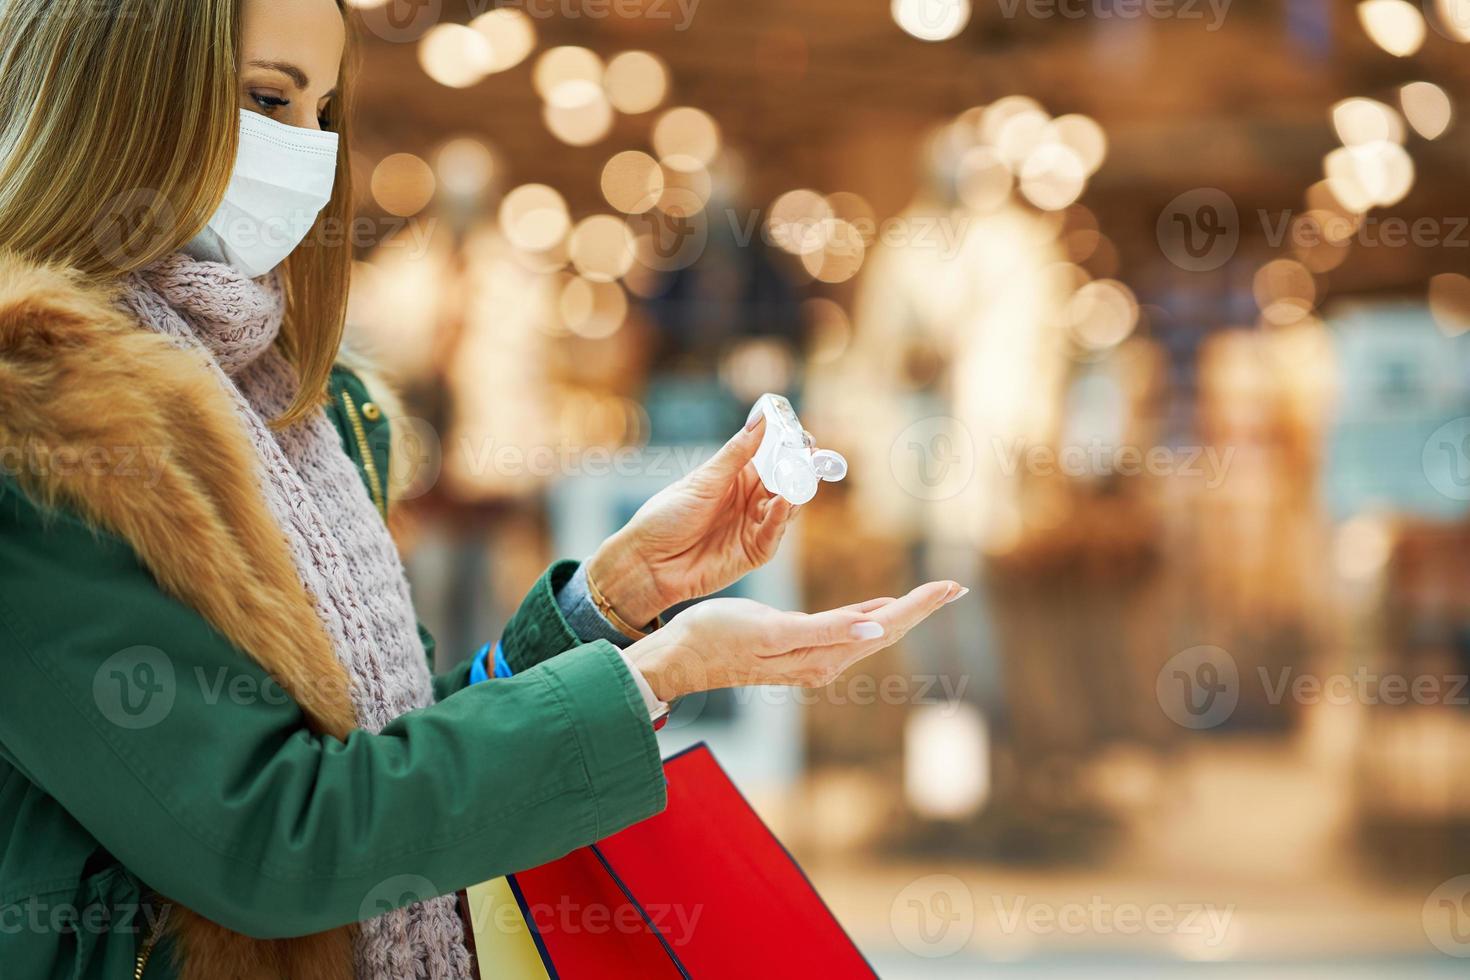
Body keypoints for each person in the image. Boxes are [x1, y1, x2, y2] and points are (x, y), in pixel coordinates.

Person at [0, 2, 963, 978]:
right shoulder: (38, 422)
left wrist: (611, 602)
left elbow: (393, 746)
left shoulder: (296, 408)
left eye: (326, 111)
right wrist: (651, 678)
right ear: (115, 90)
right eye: (267, 99)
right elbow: (273, 837)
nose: (308, 152)